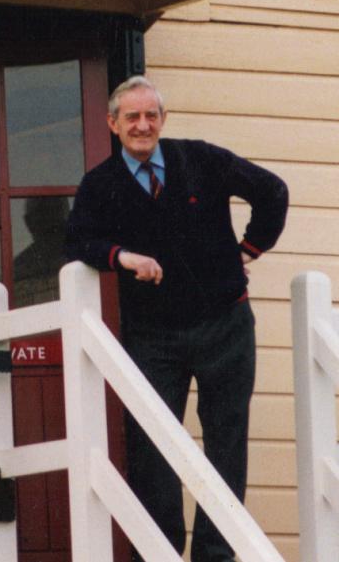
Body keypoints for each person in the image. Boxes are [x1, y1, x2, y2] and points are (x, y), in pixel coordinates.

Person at [64, 75, 288, 562]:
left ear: (162, 120)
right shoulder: (100, 184)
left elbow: (273, 191)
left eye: (151, 116)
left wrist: (249, 248)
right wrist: (121, 256)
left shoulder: (201, 158)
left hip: (224, 325)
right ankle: (159, 551)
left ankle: (215, 554)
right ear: (112, 124)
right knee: (151, 448)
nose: (142, 126)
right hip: (152, 336)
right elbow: (77, 240)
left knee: (226, 440)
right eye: (131, 117)